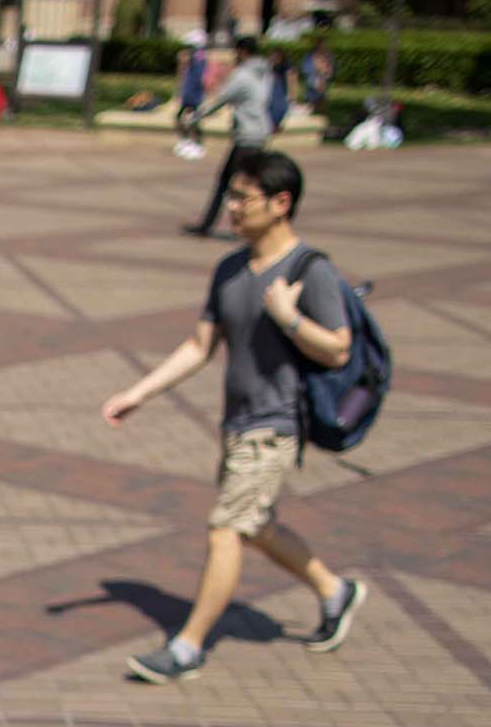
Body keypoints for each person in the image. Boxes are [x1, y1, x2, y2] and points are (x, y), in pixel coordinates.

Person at [99, 147, 367, 684]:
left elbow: (338, 349)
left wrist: (289, 318)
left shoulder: (310, 270)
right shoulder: (229, 269)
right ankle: (336, 592)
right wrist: (139, 392)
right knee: (257, 528)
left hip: (278, 424)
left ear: (281, 203)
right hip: (238, 424)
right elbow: (200, 347)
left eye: (243, 199)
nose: (232, 209)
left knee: (225, 530)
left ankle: (187, 648)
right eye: (231, 197)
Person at [185, 34, 276, 234]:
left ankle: (209, 225)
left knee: (229, 183)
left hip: (245, 137)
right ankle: (260, 223)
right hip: (260, 134)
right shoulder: (265, 73)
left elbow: (221, 99)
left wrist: (195, 116)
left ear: (243, 52)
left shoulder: (242, 75)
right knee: (253, 183)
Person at [173, 33, 209, 159]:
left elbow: (199, 78)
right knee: (181, 118)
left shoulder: (199, 57)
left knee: (194, 120)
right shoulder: (194, 57)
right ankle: (187, 141)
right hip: (189, 93)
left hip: (194, 94)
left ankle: (197, 144)